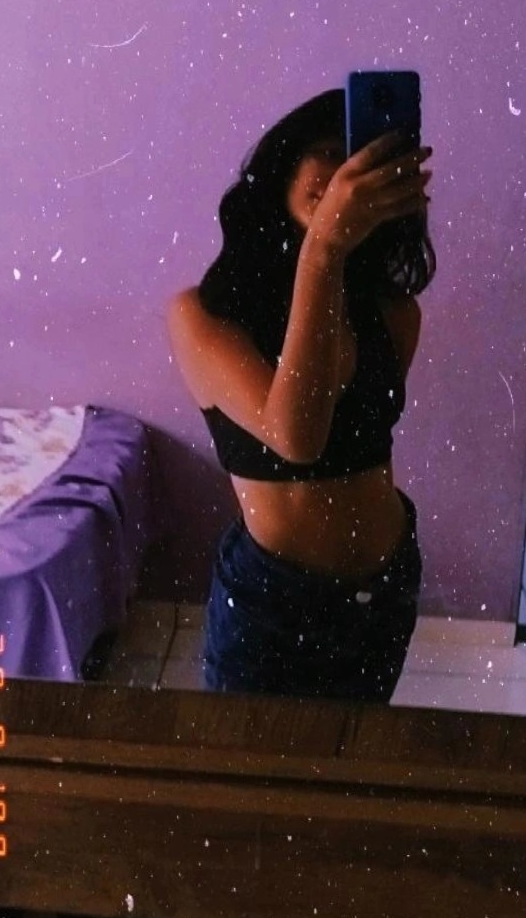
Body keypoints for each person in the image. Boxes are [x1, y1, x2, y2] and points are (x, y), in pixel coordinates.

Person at [167, 88, 435, 702]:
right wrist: (324, 248)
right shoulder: (203, 315)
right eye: (330, 152)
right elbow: (297, 437)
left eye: (363, 160)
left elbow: (353, 438)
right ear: (283, 167)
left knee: (352, 747)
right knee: (252, 761)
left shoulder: (396, 313)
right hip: (276, 601)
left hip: (385, 586)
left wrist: (330, 254)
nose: (344, 175)